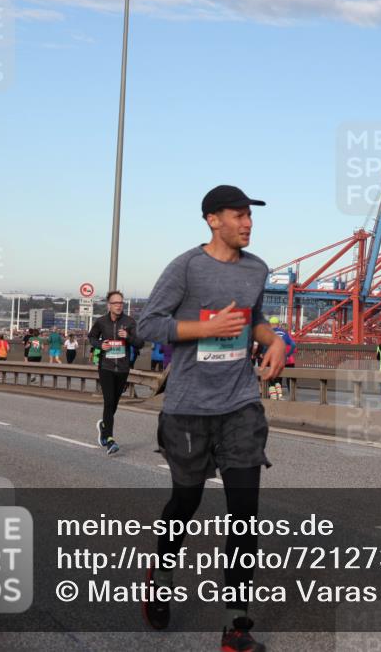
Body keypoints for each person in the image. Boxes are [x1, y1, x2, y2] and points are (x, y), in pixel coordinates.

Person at [136, 184, 283, 650]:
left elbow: (253, 317)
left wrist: (274, 339)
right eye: (238, 215)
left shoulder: (257, 269)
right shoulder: (186, 268)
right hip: (188, 408)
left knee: (245, 515)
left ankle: (235, 626)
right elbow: (148, 324)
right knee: (186, 503)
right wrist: (205, 328)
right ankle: (160, 577)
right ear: (212, 219)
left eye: (250, 216)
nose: (248, 223)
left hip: (240, 403)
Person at [88, 290, 144, 456]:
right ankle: (110, 440)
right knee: (109, 401)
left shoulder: (130, 322)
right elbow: (91, 337)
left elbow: (140, 343)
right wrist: (100, 345)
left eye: (121, 303)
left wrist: (128, 337)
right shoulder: (101, 322)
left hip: (123, 368)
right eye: (116, 303)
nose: (119, 305)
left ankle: (103, 426)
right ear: (109, 305)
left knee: (114, 404)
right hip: (106, 367)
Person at [265, 317, 294, 400]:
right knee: (278, 378)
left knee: (271, 379)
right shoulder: (285, 335)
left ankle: (273, 396)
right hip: (283, 360)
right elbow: (294, 346)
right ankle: (280, 395)